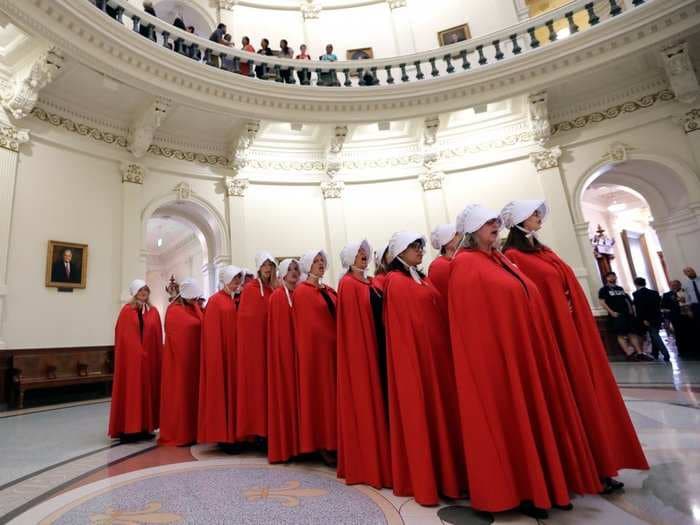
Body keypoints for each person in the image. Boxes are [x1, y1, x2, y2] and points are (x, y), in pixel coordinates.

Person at [449, 204, 602, 519]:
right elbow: (471, 323)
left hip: (527, 353)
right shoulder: (465, 264)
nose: (494, 226)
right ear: (472, 229)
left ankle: (549, 484)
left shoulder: (500, 258)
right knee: (513, 420)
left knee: (539, 414)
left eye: (495, 221)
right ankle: (524, 490)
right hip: (499, 362)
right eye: (487, 222)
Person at [501, 200, 649, 494]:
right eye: (532, 214)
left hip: (570, 332)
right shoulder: (514, 256)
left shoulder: (542, 250)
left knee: (587, 395)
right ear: (519, 221)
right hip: (552, 338)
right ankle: (579, 469)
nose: (538, 217)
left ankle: (600, 464)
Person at [383, 232, 465, 505]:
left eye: (420, 246)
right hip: (420, 361)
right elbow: (403, 328)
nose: (419, 251)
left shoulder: (419, 277)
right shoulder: (396, 281)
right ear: (398, 253)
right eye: (413, 247)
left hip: (438, 358)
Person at [336, 240, 392, 489]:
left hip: (380, 345)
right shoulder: (348, 284)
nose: (363, 256)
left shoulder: (371, 282)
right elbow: (352, 327)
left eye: (365, 253)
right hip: (364, 351)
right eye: (358, 253)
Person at [292, 250, 338, 465]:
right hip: (316, 356)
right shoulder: (303, 292)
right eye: (316, 261)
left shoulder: (327, 289)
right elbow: (307, 328)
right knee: (322, 398)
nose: (320, 264)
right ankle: (324, 443)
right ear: (308, 265)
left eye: (323, 261)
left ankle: (337, 439)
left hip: (333, 352)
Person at [109, 280, 162, 442]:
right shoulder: (127, 311)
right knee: (131, 391)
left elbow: (157, 336)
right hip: (131, 361)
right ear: (134, 293)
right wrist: (136, 352)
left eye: (146, 290)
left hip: (148, 360)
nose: (144, 292)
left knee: (147, 391)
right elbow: (124, 336)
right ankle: (129, 429)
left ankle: (145, 426)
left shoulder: (153, 312)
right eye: (140, 290)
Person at [197, 266, 242, 446]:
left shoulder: (238, 299)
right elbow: (212, 334)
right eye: (234, 279)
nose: (237, 282)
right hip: (223, 354)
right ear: (225, 280)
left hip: (236, 354)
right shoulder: (215, 301)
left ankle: (237, 434)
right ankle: (225, 437)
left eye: (239, 279)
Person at [236, 252, 277, 443]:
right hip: (256, 350)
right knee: (258, 388)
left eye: (271, 265)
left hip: (273, 347)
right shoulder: (251, 290)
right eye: (265, 265)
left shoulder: (275, 289)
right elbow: (246, 322)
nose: (268, 268)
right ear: (259, 268)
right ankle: (259, 433)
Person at [159, 278, 203, 446]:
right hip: (179, 363)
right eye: (193, 297)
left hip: (194, 361)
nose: (195, 300)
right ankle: (181, 433)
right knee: (181, 397)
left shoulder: (193, 308)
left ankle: (194, 432)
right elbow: (186, 328)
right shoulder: (174, 311)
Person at [267, 259, 301, 463]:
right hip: (285, 357)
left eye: (296, 269)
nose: (294, 273)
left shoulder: (299, 293)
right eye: (290, 269)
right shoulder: (278, 296)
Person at [598, 272, 653, 360]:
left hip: (627, 314)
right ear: (607, 278)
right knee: (621, 334)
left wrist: (631, 311)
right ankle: (629, 354)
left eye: (614, 276)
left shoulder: (620, 288)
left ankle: (639, 353)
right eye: (610, 277)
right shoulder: (604, 289)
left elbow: (626, 300)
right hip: (616, 315)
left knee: (632, 333)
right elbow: (602, 302)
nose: (613, 278)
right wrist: (611, 312)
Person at [633, 276, 670, 361]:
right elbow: (657, 306)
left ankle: (665, 353)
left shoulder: (636, 294)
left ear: (635, 284)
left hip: (646, 318)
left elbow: (640, 308)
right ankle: (655, 353)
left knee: (654, 335)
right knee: (654, 335)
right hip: (657, 316)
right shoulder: (654, 293)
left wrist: (644, 319)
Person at [427, 223, 460, 300]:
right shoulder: (439, 265)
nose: (460, 237)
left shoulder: (456, 258)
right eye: (456, 234)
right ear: (446, 241)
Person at [662, 280, 693, 355]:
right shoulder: (667, 295)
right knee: (678, 333)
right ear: (670, 286)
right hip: (675, 317)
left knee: (690, 332)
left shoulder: (686, 292)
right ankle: (682, 350)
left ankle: (692, 348)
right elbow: (663, 307)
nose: (674, 286)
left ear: (680, 285)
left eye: (676, 285)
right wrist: (667, 319)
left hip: (687, 315)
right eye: (673, 285)